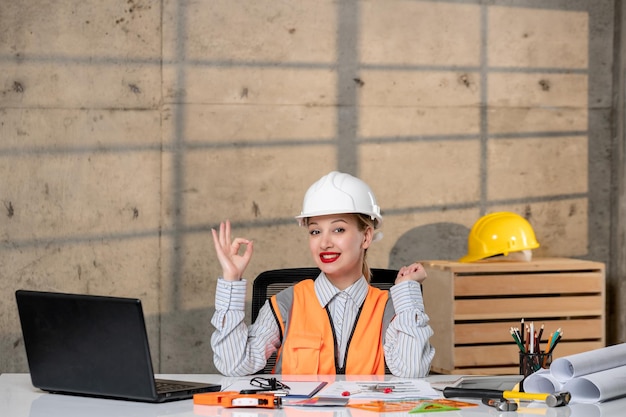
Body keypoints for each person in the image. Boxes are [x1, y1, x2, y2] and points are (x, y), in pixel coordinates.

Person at [210, 171, 435, 377]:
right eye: (315, 231)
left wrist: (407, 291)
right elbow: (235, 365)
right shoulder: (285, 304)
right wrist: (231, 279)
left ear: (366, 236)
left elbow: (412, 370)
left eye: (338, 229)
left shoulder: (390, 307)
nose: (325, 243)